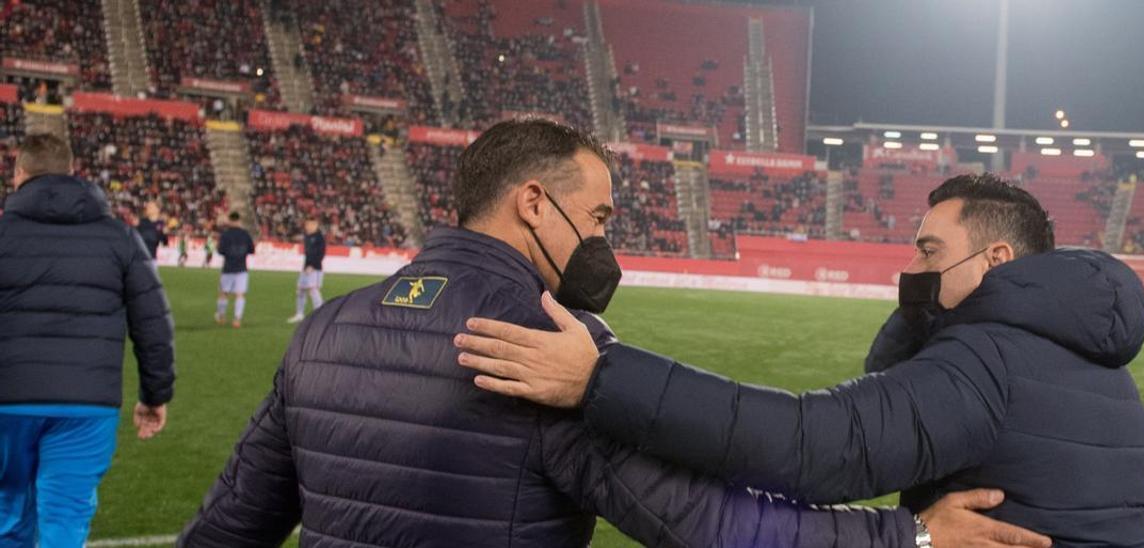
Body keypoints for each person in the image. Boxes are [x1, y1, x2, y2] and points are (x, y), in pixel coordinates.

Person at [179, 121, 1048, 547]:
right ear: (531, 203)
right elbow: (706, 522)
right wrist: (913, 537)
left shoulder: (327, 328)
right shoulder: (548, 345)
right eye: (594, 217)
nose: (602, 241)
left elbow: (228, 530)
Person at [456, 173, 1144, 547]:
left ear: (997, 259)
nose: (910, 267)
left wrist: (600, 377)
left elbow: (813, 448)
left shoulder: (989, 359)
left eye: (928, 251)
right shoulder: (1109, 378)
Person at [0, 134, 175, 546]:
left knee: (8, 511)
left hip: (7, 401)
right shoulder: (119, 237)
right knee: (65, 521)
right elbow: (153, 323)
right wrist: (154, 394)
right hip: (86, 404)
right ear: (71, 173)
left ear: (18, 175)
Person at [215, 212, 255, 328]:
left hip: (228, 268)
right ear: (239, 220)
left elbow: (220, 251)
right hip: (242, 268)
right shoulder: (245, 234)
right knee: (240, 294)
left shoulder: (225, 234)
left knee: (223, 293)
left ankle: (221, 316)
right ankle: (237, 319)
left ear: (229, 220)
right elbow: (252, 250)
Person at [287, 218, 325, 323]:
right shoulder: (308, 236)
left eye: (310, 225)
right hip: (306, 267)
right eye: (307, 224)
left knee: (313, 290)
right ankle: (299, 314)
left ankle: (321, 314)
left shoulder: (319, 238)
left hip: (314, 268)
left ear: (316, 225)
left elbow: (321, 253)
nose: (307, 226)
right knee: (300, 289)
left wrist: (312, 265)